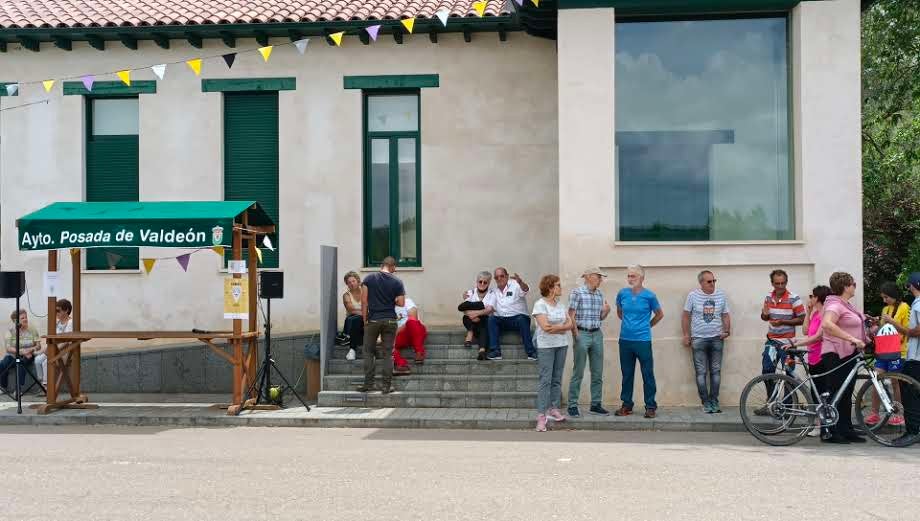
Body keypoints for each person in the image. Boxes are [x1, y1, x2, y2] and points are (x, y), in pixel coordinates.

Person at [816, 271, 868, 444]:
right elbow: (827, 324)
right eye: (854, 284)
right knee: (836, 392)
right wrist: (852, 338)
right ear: (846, 286)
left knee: (846, 393)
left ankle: (846, 429)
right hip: (836, 353)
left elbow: (853, 323)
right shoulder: (834, 305)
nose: (855, 287)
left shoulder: (846, 304)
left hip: (850, 353)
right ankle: (829, 431)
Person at [614, 265, 664, 418]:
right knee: (627, 374)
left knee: (647, 373)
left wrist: (647, 325)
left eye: (633, 276)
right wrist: (630, 325)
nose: (630, 279)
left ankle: (650, 406)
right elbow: (619, 312)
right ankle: (626, 405)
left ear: (642, 278)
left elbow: (659, 314)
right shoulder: (622, 294)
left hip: (643, 340)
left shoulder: (649, 296)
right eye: (629, 276)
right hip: (625, 340)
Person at [681, 270, 731, 414]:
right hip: (698, 339)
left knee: (716, 371)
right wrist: (686, 335)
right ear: (701, 283)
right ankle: (706, 402)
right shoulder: (692, 296)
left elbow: (726, 315)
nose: (712, 284)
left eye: (714, 281)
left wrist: (727, 331)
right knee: (701, 372)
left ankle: (714, 401)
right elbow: (686, 316)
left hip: (717, 338)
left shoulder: (721, 295)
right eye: (709, 281)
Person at [567, 267, 611, 418]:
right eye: (599, 277)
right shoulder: (577, 292)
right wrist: (576, 335)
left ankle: (596, 404)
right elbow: (570, 315)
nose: (601, 280)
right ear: (589, 277)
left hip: (597, 333)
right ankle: (572, 404)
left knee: (597, 371)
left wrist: (606, 311)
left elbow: (600, 317)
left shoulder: (599, 294)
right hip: (582, 333)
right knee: (578, 371)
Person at [881, 272, 920, 440]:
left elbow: (916, 331)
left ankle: (911, 432)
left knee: (910, 395)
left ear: (912, 286)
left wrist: (899, 326)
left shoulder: (917, 304)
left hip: (915, 357)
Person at [359, 256, 405, 394]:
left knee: (368, 351)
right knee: (387, 354)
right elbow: (402, 303)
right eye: (394, 268)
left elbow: (364, 301)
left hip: (373, 320)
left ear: (381, 265)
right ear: (391, 266)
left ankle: (368, 384)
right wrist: (393, 301)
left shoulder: (368, 279)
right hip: (390, 320)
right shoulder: (397, 281)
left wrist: (365, 319)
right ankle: (386, 386)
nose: (394, 271)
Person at [866, 282, 910, 426]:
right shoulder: (886, 308)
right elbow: (884, 330)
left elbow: (907, 331)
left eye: (886, 297)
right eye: (883, 298)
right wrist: (876, 322)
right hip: (883, 351)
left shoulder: (904, 307)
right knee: (876, 379)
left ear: (893, 295)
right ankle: (874, 413)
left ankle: (899, 413)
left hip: (899, 351)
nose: (884, 300)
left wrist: (893, 322)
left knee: (895, 382)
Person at [532, 274, 573, 432]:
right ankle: (541, 416)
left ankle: (554, 408)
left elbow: (570, 323)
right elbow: (545, 327)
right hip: (546, 346)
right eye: (558, 285)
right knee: (545, 380)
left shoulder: (561, 305)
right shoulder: (540, 305)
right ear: (550, 288)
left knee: (557, 379)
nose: (560, 288)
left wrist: (558, 329)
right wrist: (562, 328)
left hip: (561, 345)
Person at [758, 270, 806, 403]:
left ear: (786, 282)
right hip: (772, 342)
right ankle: (772, 402)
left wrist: (783, 322)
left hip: (788, 343)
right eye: (777, 283)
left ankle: (787, 406)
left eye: (783, 283)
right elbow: (764, 317)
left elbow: (802, 319)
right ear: (772, 283)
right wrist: (765, 315)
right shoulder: (768, 297)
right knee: (767, 371)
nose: (780, 286)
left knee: (789, 374)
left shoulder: (794, 298)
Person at [791, 285, 832, 437]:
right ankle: (818, 424)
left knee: (822, 392)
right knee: (815, 393)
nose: (810, 298)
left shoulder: (825, 315)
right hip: (812, 357)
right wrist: (808, 312)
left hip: (822, 357)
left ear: (818, 298)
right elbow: (806, 331)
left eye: (812, 296)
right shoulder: (815, 314)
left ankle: (822, 424)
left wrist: (797, 343)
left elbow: (818, 337)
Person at [486, 268, 537, 361]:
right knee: (491, 319)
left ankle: (531, 352)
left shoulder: (515, 284)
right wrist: (468, 297)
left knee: (522, 319)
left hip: (518, 319)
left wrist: (521, 282)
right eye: (497, 277)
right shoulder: (493, 291)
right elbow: (486, 304)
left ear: (507, 276)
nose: (499, 279)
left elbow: (525, 290)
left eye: (502, 276)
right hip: (502, 320)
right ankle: (495, 352)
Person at [33, 298, 74, 393]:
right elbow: (52, 338)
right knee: (38, 360)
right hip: (53, 348)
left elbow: (67, 341)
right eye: (55, 311)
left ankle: (47, 387)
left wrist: (54, 350)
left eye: (58, 310)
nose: (57, 313)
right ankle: (42, 383)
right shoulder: (57, 322)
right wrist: (45, 350)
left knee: (47, 361)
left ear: (66, 310)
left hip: (64, 351)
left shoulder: (70, 323)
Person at [0, 310, 42, 396]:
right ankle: (3, 387)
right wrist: (21, 352)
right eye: (22, 318)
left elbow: (38, 346)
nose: (25, 319)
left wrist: (30, 350)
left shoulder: (32, 329)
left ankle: (18, 389)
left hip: (29, 355)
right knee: (2, 364)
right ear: (16, 321)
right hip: (13, 355)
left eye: (26, 317)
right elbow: (8, 348)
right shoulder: (10, 331)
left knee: (21, 363)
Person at [458, 271, 494, 360]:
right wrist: (478, 310)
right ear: (477, 281)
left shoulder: (492, 294)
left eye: (485, 282)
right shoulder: (470, 292)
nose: (482, 284)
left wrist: (475, 312)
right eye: (480, 281)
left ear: (489, 283)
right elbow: (462, 308)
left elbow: (489, 310)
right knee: (466, 315)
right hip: (470, 320)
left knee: (484, 326)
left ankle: (482, 351)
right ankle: (470, 332)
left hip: (484, 321)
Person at [393, 297, 427, 374]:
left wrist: (397, 331)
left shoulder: (407, 301)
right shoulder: (385, 307)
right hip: (400, 337)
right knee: (386, 341)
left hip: (415, 332)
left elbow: (413, 317)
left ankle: (419, 352)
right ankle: (401, 364)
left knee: (411, 322)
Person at [341, 271, 364, 361]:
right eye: (349, 282)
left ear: (358, 281)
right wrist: (365, 313)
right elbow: (352, 310)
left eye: (353, 281)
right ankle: (352, 350)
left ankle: (353, 349)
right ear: (347, 284)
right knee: (356, 319)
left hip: (364, 323)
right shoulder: (346, 295)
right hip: (352, 323)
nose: (351, 284)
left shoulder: (365, 292)